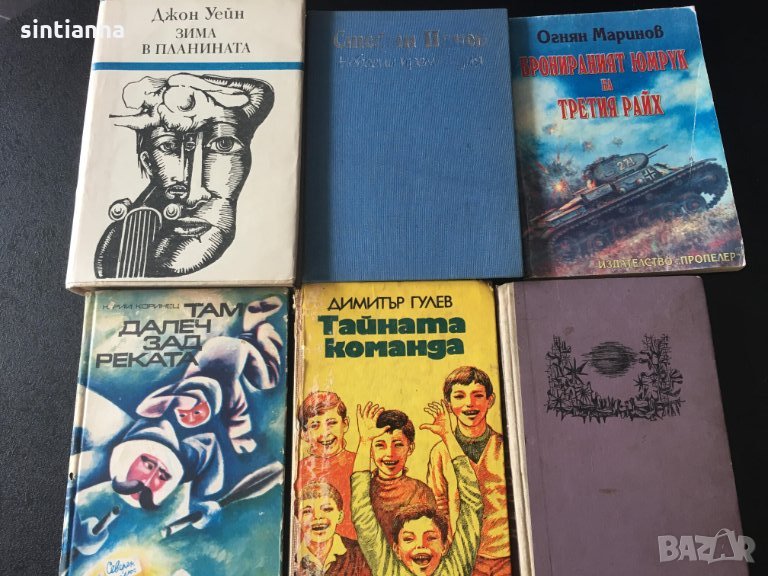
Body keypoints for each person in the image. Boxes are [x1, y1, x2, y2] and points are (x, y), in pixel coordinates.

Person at [95, 73, 274, 278]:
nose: (193, 198)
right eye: (168, 146)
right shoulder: (119, 244)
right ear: (148, 162)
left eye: (223, 144)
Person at [135, 296, 284, 454]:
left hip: (238, 349)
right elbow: (155, 403)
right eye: (183, 415)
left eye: (196, 412)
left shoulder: (227, 388)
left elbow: (238, 410)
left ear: (206, 403)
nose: (191, 418)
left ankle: (260, 330)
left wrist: (239, 437)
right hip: (216, 348)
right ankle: (250, 327)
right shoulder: (180, 388)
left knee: (268, 381)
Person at [351, 401, 482, 576]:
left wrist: (449, 436)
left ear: (444, 545)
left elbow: (472, 505)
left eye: (431, 537)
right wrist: (365, 442)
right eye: (409, 539)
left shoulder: (454, 569)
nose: (421, 545)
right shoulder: (389, 570)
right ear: (397, 549)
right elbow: (363, 518)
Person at [426, 367, 513, 576]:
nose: (469, 404)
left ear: (490, 400)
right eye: (459, 396)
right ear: (448, 404)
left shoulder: (505, 447)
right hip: (464, 557)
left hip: (505, 555)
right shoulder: (440, 452)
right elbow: (438, 504)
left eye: (478, 395)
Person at [368, 410, 436, 544]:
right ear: (370, 450)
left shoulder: (421, 492)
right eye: (380, 445)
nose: (390, 453)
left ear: (410, 448)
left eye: (398, 445)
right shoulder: (363, 490)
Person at [295, 391, 357, 539]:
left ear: (345, 424)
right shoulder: (298, 470)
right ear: (304, 434)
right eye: (315, 425)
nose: (325, 433)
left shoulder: (360, 464)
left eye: (332, 423)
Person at [295, 481, 371, 576]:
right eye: (307, 511)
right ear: (298, 519)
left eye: (327, 509)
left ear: (340, 516)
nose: (317, 516)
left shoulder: (359, 553)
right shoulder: (292, 556)